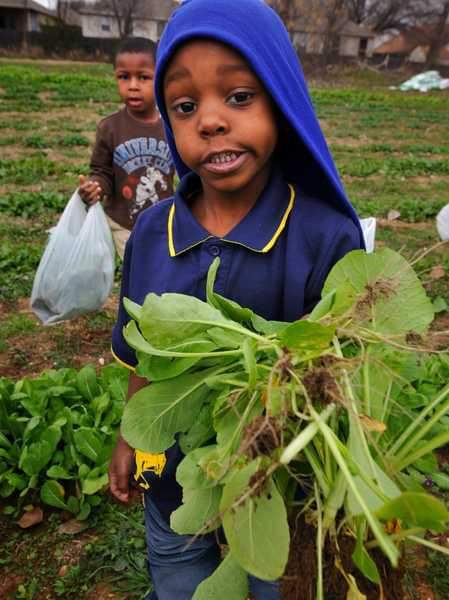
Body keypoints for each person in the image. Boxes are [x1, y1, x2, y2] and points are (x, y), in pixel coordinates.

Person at [109, 1, 365, 598]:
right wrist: (129, 437)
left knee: (273, 577)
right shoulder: (152, 233)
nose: (211, 122)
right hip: (178, 478)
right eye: (186, 106)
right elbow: (141, 352)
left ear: (283, 99)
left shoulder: (326, 236)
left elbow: (344, 378)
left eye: (240, 96)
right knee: (178, 572)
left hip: (281, 488)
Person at [79, 36, 175, 259]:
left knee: (161, 268)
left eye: (143, 77)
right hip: (123, 223)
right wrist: (95, 187)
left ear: (160, 78)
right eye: (123, 77)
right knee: (136, 271)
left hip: (165, 219)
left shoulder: (172, 125)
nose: (132, 86)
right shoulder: (110, 127)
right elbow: (101, 171)